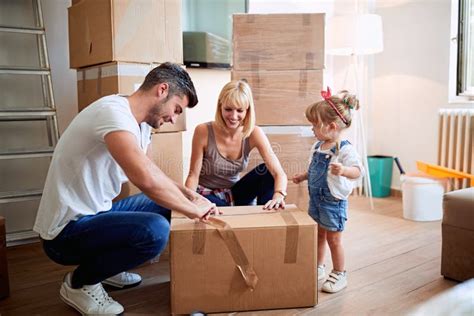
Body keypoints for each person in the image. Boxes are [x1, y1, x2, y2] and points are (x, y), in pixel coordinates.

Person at [33, 62, 217, 315]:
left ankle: (106, 267)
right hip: (65, 232)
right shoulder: (113, 114)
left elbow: (153, 172)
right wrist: (193, 210)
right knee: (155, 231)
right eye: (176, 109)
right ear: (162, 90)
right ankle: (79, 283)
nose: (174, 118)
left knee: (164, 205)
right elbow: (145, 180)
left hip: (96, 215)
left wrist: (191, 195)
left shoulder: (141, 125)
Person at [292, 87, 363, 293]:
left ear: (331, 126)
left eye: (314, 125)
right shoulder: (318, 146)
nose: (312, 129)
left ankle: (340, 273)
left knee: (334, 239)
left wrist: (344, 170)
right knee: (319, 235)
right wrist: (303, 176)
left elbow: (358, 171)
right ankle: (318, 267)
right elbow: (315, 170)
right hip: (316, 200)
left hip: (333, 203)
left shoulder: (345, 149)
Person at [185, 79, 288, 210]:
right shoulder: (203, 131)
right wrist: (190, 201)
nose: (233, 116)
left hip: (234, 193)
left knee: (267, 171)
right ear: (220, 106)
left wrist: (279, 195)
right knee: (222, 211)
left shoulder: (254, 132)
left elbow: (279, 173)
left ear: (247, 110)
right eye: (228, 109)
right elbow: (193, 176)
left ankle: (268, 213)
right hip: (207, 194)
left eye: (240, 110)